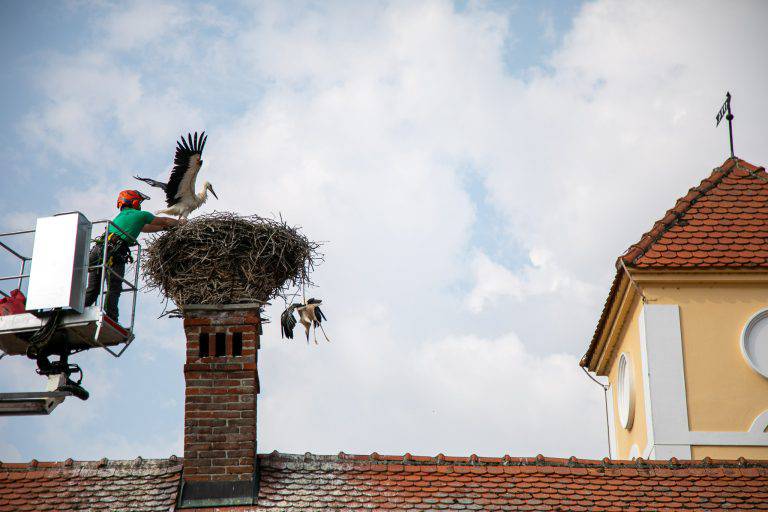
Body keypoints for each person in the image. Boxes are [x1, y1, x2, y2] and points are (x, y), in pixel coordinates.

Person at [84, 190, 180, 322]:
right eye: (139, 202)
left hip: (97, 251)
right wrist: (182, 223)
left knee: (93, 290)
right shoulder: (141, 214)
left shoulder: (121, 216)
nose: (140, 204)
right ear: (134, 202)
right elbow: (164, 220)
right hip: (114, 253)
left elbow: (145, 228)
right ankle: (111, 318)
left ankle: (76, 311)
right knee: (114, 287)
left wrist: (164, 228)